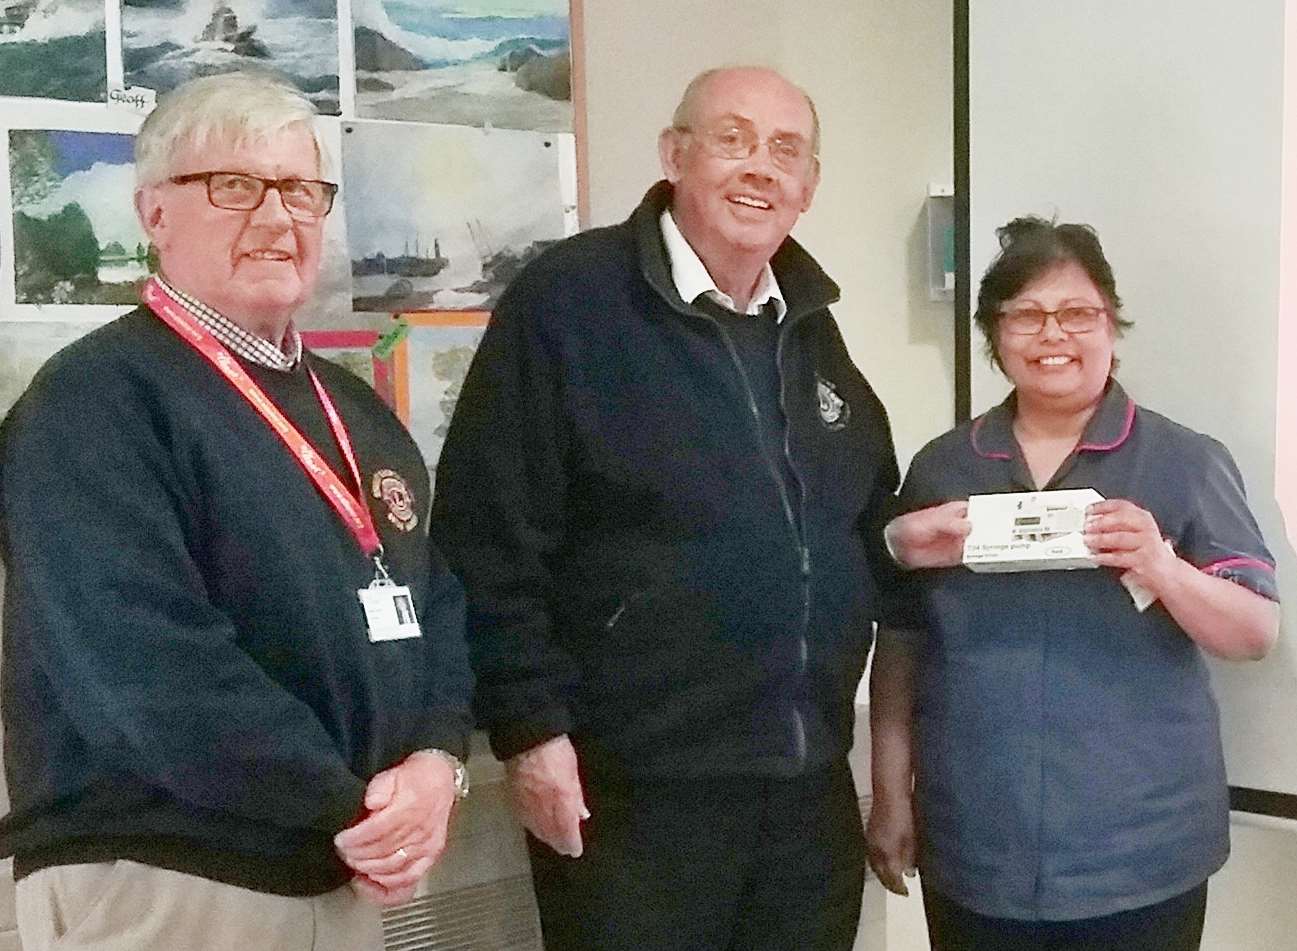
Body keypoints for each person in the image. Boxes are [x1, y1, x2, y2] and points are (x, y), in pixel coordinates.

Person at [429, 66, 900, 950]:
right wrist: (530, 731)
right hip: (635, 790)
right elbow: (486, 538)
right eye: (732, 139)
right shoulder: (568, 302)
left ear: (808, 187)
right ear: (674, 153)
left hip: (804, 786)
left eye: (784, 151)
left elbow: (858, 517)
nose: (759, 168)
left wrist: (913, 543)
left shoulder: (808, 323)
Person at [0, 72, 474, 951]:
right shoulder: (92, 404)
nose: (275, 216)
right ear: (154, 215)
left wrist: (437, 763)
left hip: (338, 867)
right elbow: (146, 667)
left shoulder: (355, 410)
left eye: (299, 189)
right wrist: (364, 808)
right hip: (174, 877)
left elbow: (433, 605)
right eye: (233, 185)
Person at [868, 216, 1280, 951]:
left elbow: (1254, 633)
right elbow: (900, 643)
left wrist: (1162, 566)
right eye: (1024, 314)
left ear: (1111, 325)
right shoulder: (941, 469)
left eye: (1077, 313)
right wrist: (890, 792)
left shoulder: (1184, 460)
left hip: (1142, 857)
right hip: (974, 849)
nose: (1051, 333)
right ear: (994, 337)